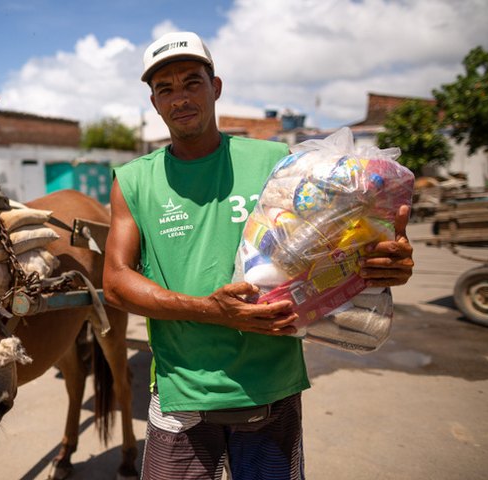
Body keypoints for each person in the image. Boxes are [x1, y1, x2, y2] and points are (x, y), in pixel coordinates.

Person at [102, 31, 414, 480]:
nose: (180, 98)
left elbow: (333, 246)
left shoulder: (275, 159)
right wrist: (208, 310)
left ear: (216, 88)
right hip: (182, 393)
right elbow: (114, 280)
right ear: (154, 103)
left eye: (192, 82)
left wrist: (382, 262)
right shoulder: (134, 180)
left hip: (270, 389)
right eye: (165, 89)